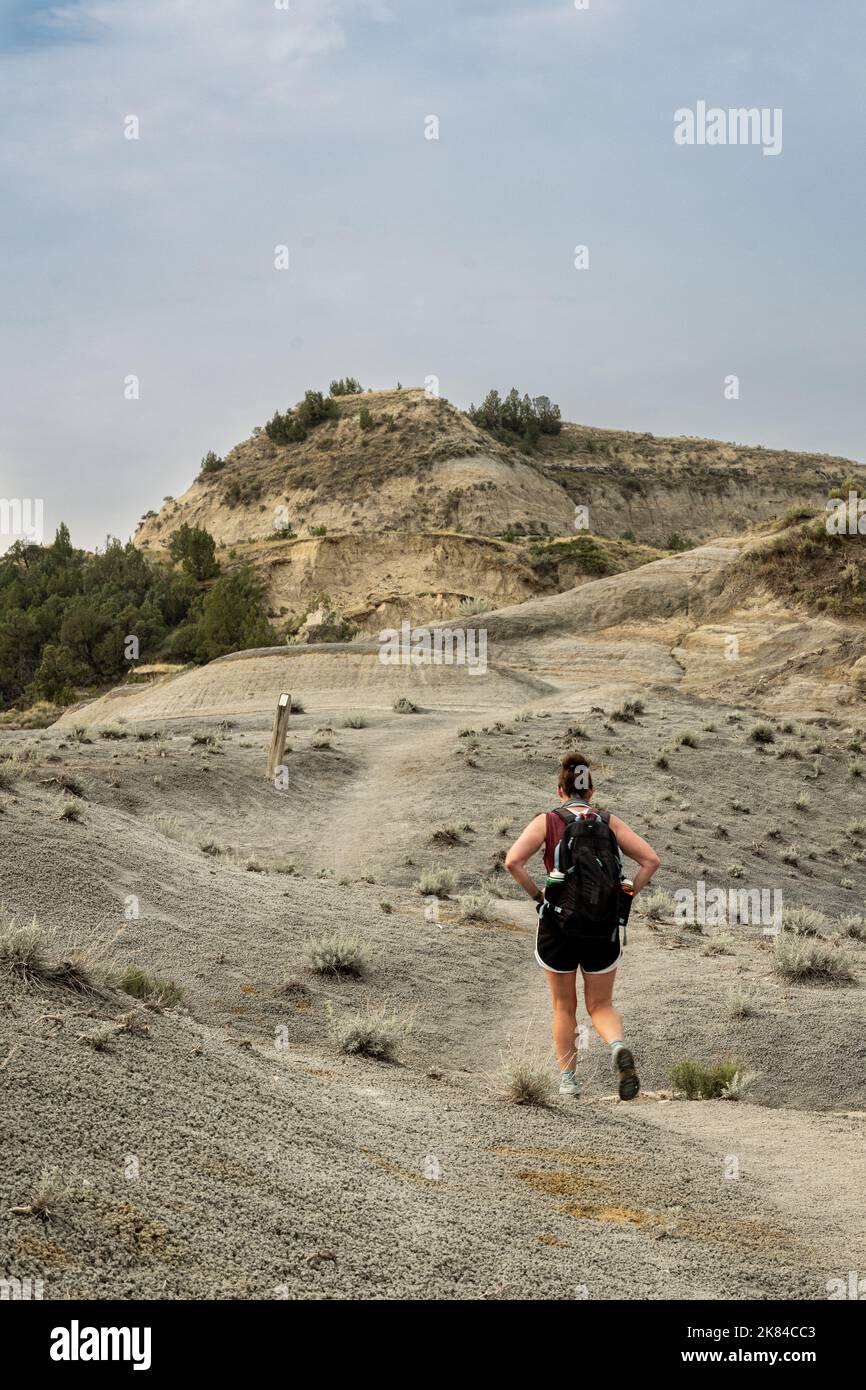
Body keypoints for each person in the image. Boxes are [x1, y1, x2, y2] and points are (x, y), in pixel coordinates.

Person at [505, 750, 660, 1100]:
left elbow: (513, 861)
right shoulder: (608, 821)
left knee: (563, 1006)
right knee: (600, 1005)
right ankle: (617, 1046)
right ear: (591, 791)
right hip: (602, 926)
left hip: (558, 924)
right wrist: (626, 894)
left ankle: (568, 1081)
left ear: (560, 790)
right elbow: (651, 860)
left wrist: (539, 898)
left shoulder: (547, 821)